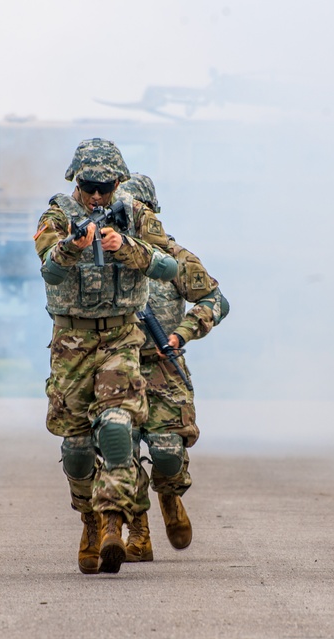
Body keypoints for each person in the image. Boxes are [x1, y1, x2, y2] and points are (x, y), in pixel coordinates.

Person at [33, 139, 178, 574]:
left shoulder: (136, 214)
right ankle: (90, 520)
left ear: (118, 182)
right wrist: (74, 246)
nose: (97, 196)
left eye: (106, 186)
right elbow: (49, 268)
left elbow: (169, 266)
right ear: (76, 181)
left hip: (120, 337)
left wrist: (126, 246)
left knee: (117, 430)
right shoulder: (56, 216)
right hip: (71, 343)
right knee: (77, 448)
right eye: (88, 186)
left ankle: (114, 523)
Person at [117, 173, 229, 562]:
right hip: (117, 368)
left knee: (168, 451)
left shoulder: (176, 258)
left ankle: (169, 494)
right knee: (121, 454)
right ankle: (139, 533)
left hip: (164, 367)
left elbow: (216, 300)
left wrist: (181, 334)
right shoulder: (102, 256)